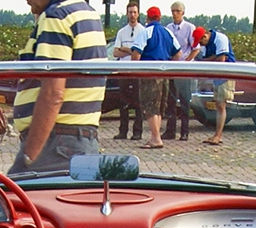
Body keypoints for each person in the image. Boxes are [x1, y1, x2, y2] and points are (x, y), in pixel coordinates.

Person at [10, 0, 108, 175]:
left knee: (11, 198)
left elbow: (52, 94)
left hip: (55, 145)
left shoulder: (56, 17)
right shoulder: (87, 14)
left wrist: (28, 156)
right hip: (83, 140)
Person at [131, 5, 179, 149]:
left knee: (150, 106)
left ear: (147, 18)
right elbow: (178, 53)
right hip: (164, 74)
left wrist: (135, 69)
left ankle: (156, 138)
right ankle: (155, 137)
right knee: (159, 107)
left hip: (149, 73)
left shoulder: (146, 32)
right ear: (159, 17)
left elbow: (136, 54)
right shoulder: (167, 32)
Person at [110, 1, 148, 140]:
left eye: (134, 12)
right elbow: (115, 53)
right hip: (124, 71)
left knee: (138, 102)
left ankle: (137, 132)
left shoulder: (143, 31)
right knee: (123, 102)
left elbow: (143, 54)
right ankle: (123, 131)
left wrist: (125, 50)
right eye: (130, 12)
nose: (132, 15)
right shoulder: (122, 32)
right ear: (127, 14)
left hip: (138, 71)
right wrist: (132, 51)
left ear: (138, 14)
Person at [192, 24, 233, 145]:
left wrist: (207, 60)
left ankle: (218, 135)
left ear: (205, 36)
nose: (201, 44)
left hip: (226, 74)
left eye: (200, 41)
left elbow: (221, 60)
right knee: (219, 104)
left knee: (221, 105)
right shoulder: (207, 44)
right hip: (217, 75)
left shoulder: (220, 39)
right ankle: (217, 134)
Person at [164, 1, 197, 139]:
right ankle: (170, 131)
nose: (175, 14)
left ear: (183, 12)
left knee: (184, 101)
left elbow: (196, 48)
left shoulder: (190, 28)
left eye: (177, 11)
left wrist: (186, 62)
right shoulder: (168, 28)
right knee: (170, 101)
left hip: (184, 69)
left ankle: (184, 131)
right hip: (172, 68)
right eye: (173, 11)